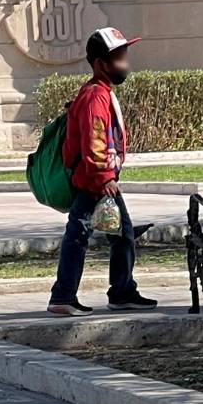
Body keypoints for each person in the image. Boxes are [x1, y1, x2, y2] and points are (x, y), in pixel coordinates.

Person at [47, 27, 159, 317]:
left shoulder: (98, 92)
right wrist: (104, 177)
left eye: (124, 56)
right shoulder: (95, 96)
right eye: (119, 58)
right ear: (100, 64)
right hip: (94, 181)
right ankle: (68, 295)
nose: (125, 63)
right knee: (84, 234)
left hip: (96, 179)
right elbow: (95, 140)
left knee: (118, 234)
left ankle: (119, 291)